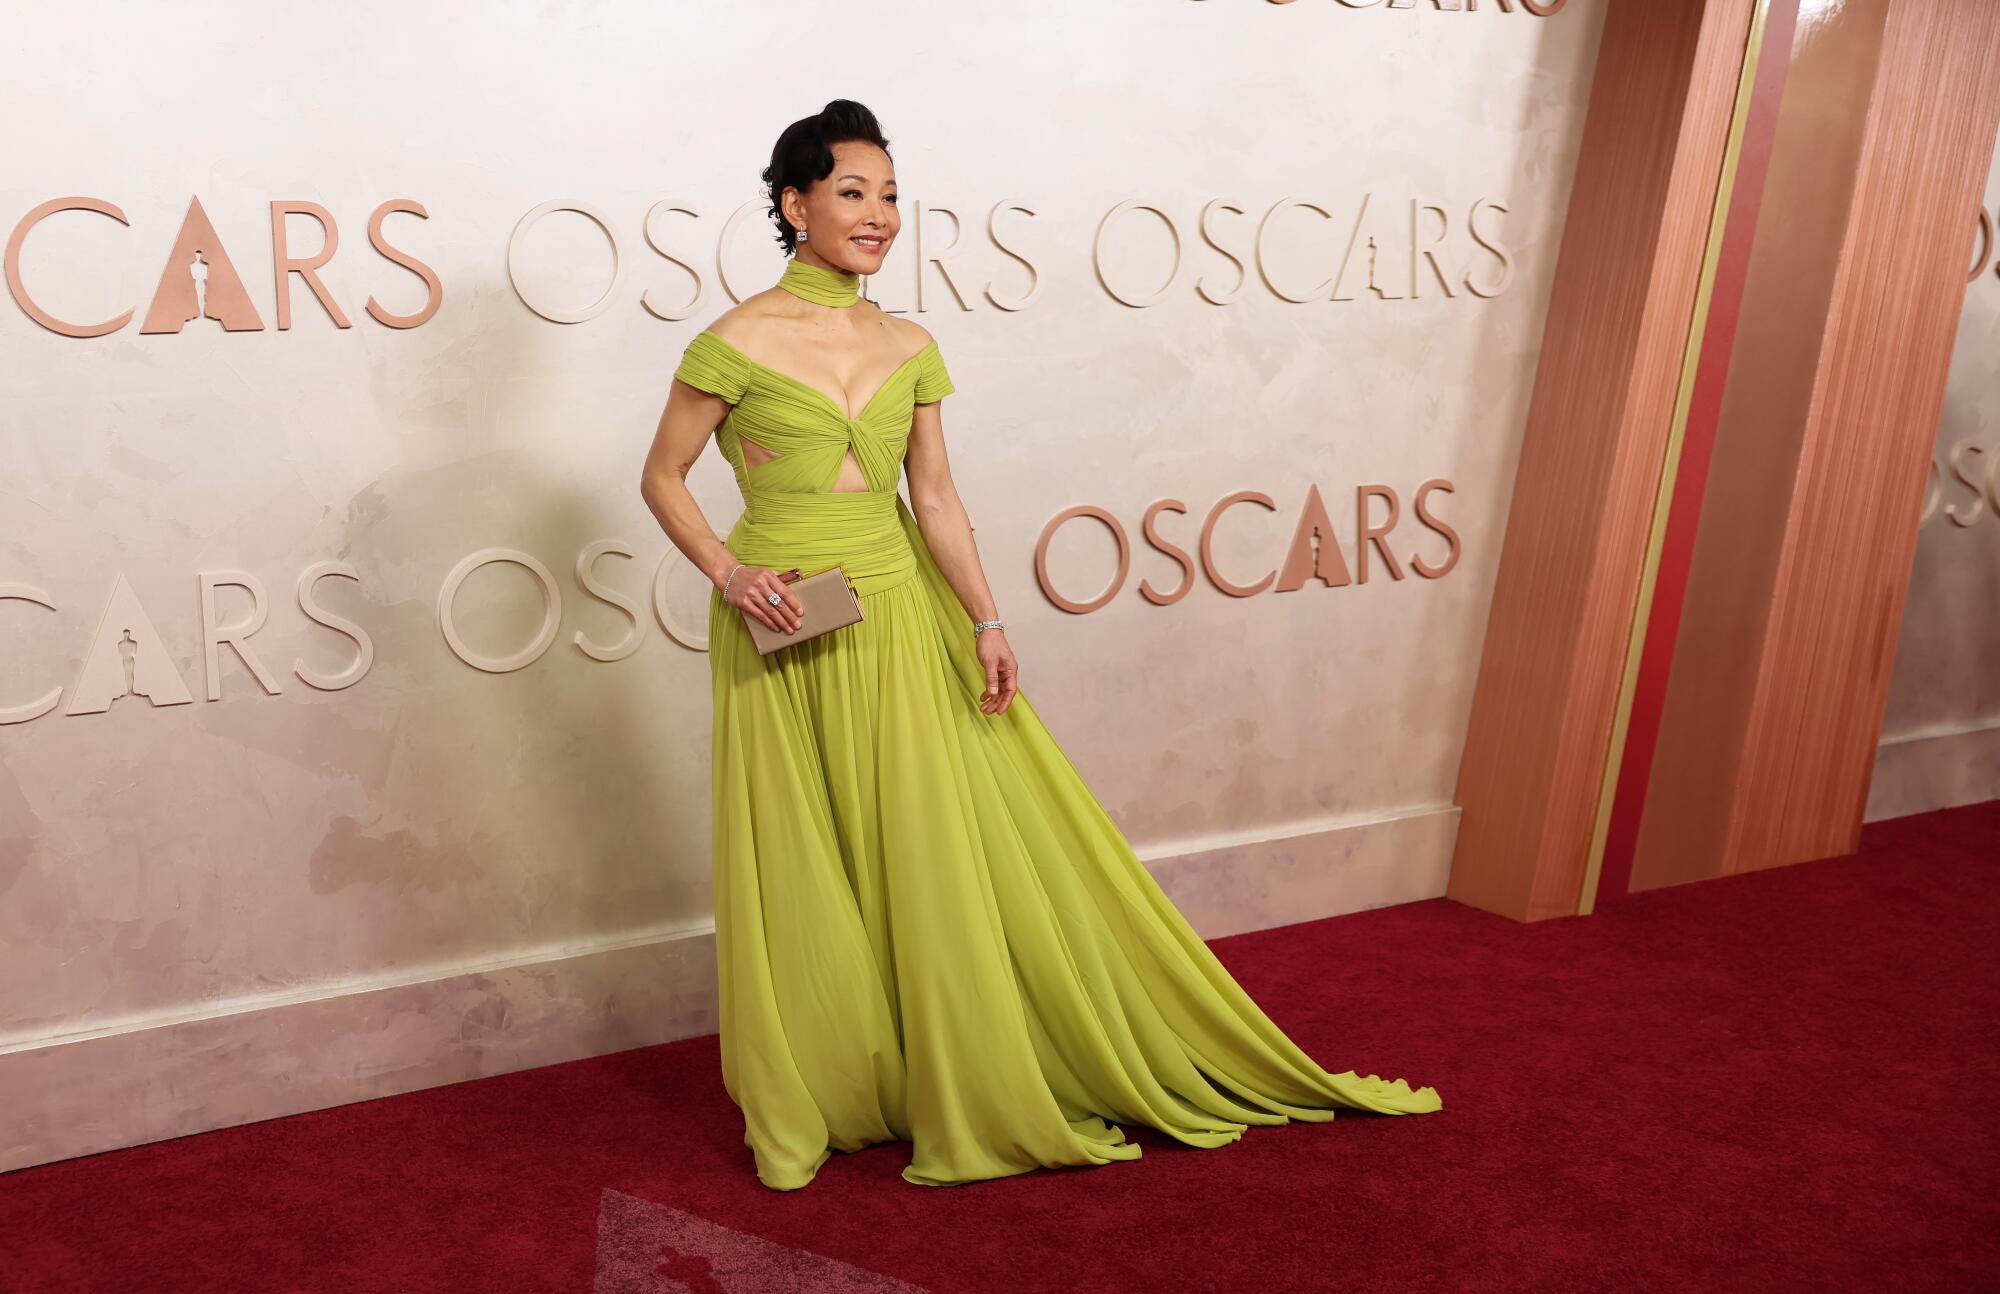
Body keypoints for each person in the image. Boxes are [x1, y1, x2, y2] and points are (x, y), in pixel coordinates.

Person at [639, 99, 1442, 1191]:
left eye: (889, 198)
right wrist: (730, 576)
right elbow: (663, 477)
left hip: (899, 608)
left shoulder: (909, 342)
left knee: (922, 840)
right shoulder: (732, 341)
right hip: (779, 621)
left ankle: (937, 1067)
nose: (877, 217)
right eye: (851, 194)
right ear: (794, 204)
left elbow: (935, 496)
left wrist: (985, 617)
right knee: (805, 853)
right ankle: (829, 1086)